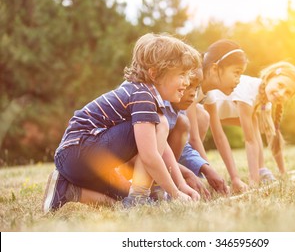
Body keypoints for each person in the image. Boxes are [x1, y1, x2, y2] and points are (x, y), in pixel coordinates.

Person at [42, 33, 201, 214]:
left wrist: (180, 185)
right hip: (80, 151)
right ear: (155, 74)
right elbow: (149, 155)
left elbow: (161, 148)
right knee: (160, 124)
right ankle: (139, 197)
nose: (187, 82)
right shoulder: (143, 97)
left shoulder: (142, 94)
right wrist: (175, 193)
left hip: (74, 160)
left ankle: (64, 190)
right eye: (182, 74)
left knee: (122, 198)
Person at [203, 61, 295, 192]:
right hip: (200, 108)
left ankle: (261, 169)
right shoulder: (249, 91)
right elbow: (249, 140)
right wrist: (254, 183)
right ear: (271, 77)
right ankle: (257, 174)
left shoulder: (265, 101)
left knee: (254, 121)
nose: (281, 93)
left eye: (287, 93)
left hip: (217, 115)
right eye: (280, 85)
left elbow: (272, 136)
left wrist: (283, 172)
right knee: (253, 122)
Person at [182, 39, 248, 194]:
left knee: (203, 116)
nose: (238, 80)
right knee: (201, 116)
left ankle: (194, 173)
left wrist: (236, 177)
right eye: (236, 73)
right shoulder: (192, 85)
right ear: (214, 68)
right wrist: (210, 173)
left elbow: (219, 136)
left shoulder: (208, 93)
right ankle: (189, 176)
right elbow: (194, 138)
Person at [164, 67, 229, 198]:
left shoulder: (178, 110)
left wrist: (206, 169)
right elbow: (154, 152)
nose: (193, 93)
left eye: (196, 87)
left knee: (183, 122)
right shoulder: (156, 108)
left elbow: (184, 148)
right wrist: (187, 174)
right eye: (188, 86)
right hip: (127, 163)